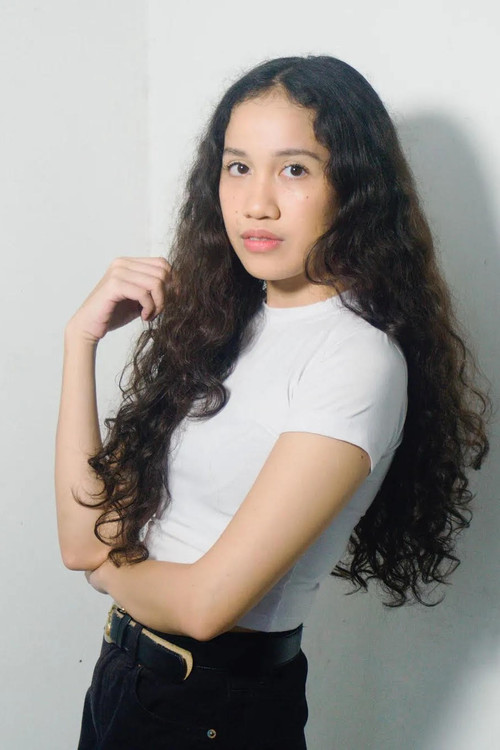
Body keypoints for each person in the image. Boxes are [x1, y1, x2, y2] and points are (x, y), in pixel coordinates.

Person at [55, 55, 490, 749]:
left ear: (354, 186)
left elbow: (205, 606)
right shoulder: (228, 323)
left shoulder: (356, 359)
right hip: (125, 683)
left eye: (294, 169)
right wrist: (79, 341)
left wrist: (104, 568)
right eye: (238, 167)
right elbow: (80, 533)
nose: (256, 203)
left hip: (213, 707)